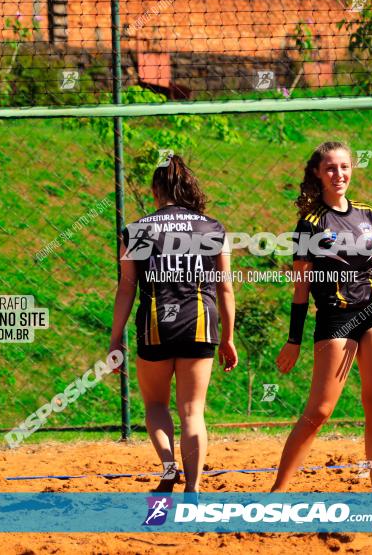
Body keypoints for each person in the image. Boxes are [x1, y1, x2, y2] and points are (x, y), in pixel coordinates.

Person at [271, 141, 372, 493]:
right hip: (336, 319)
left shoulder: (367, 214)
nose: (339, 174)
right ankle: (277, 491)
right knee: (319, 412)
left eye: (345, 167)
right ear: (318, 174)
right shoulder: (309, 224)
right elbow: (301, 288)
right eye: (331, 168)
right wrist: (294, 340)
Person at [108, 154, 238, 494]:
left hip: (155, 326)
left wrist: (115, 337)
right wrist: (229, 337)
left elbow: (126, 287)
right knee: (192, 411)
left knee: (155, 405)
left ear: (155, 190)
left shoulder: (136, 230)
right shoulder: (211, 227)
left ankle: (169, 467)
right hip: (200, 323)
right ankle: (193, 489)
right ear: (187, 186)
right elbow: (225, 286)